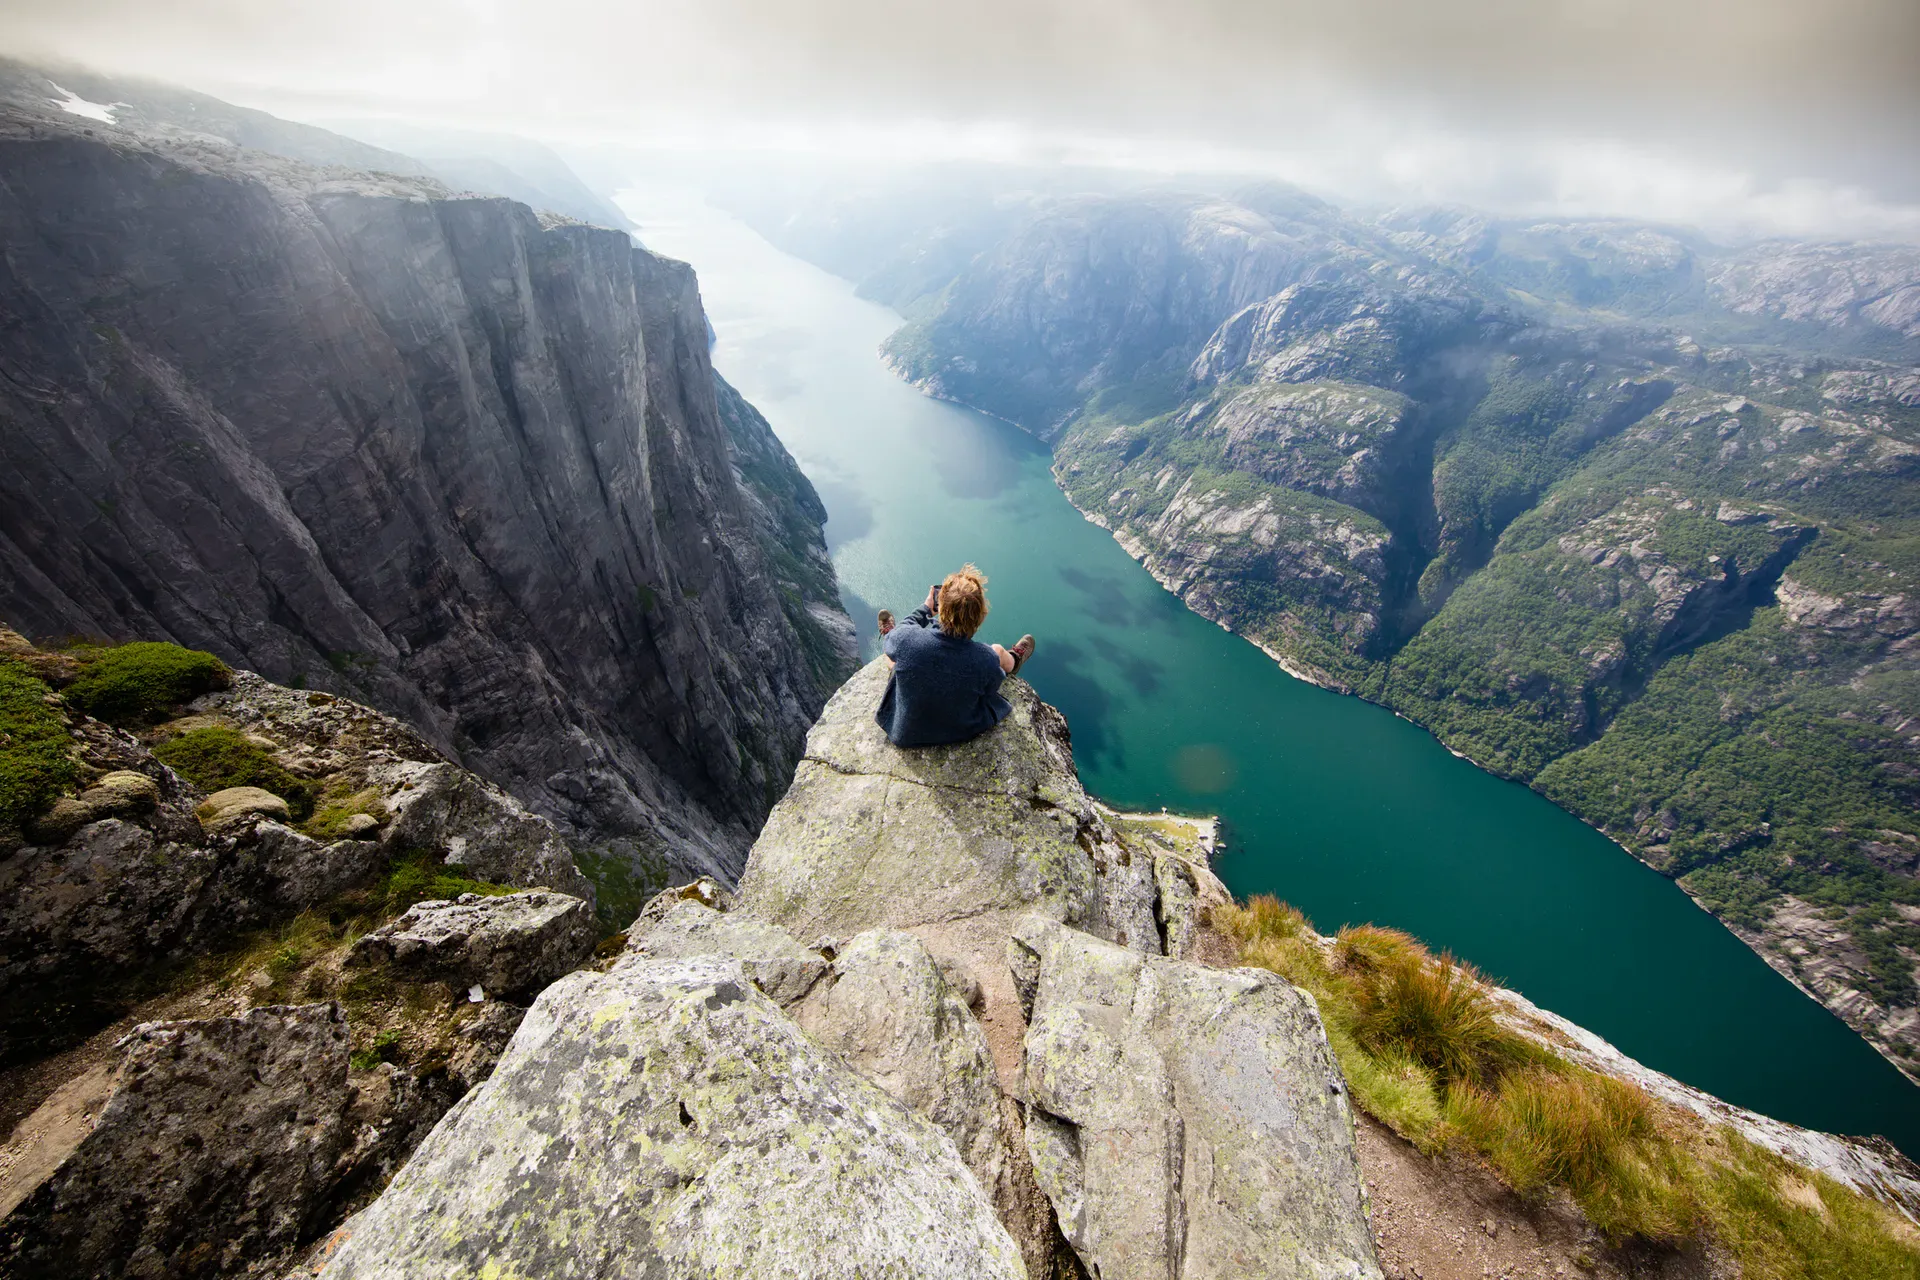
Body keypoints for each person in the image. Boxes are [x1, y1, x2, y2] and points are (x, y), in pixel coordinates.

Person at [874, 564, 1035, 748]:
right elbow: (990, 689)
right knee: (997, 650)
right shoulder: (987, 660)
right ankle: (1014, 660)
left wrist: (926, 608)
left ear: (940, 608)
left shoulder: (906, 638)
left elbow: (906, 629)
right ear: (981, 617)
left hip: (905, 731)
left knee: (895, 654)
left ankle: (889, 633)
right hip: (958, 731)